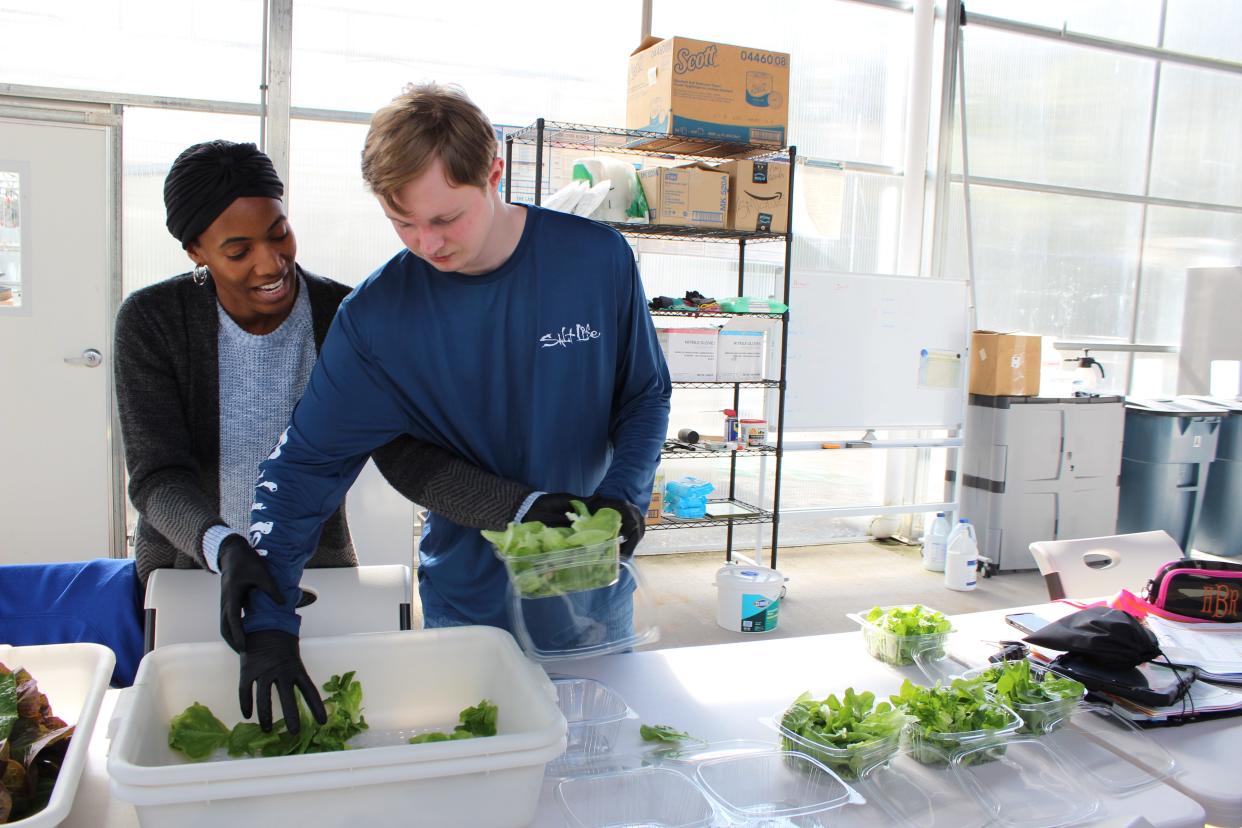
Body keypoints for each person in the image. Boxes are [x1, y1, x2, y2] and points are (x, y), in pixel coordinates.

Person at [234, 83, 670, 730]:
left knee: (596, 758)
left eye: (444, 219)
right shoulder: (377, 321)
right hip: (469, 602)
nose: (426, 245)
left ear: (494, 173)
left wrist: (624, 494)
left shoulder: (594, 260)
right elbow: (304, 469)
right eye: (402, 223)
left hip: (587, 587)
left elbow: (644, 393)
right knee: (482, 773)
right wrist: (267, 618)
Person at [114, 140, 589, 729]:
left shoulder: (342, 312)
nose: (269, 263)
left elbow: (408, 457)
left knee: (328, 723)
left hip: (318, 570)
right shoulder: (152, 322)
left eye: (278, 233)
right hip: (190, 569)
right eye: (238, 250)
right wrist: (224, 545)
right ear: (196, 251)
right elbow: (157, 476)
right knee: (201, 722)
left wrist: (522, 508)